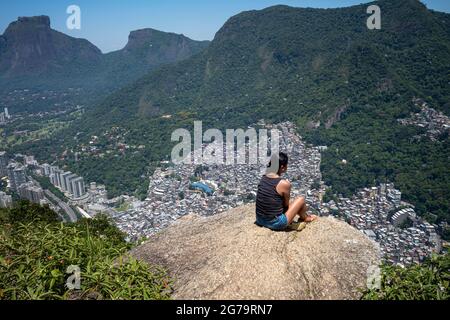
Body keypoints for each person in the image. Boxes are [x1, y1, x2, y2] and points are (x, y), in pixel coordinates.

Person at [255, 152, 317, 231]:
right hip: (275, 223)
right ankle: (306, 218)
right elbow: (286, 205)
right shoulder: (284, 184)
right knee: (301, 200)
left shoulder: (263, 178)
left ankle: (303, 216)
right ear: (282, 167)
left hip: (259, 220)